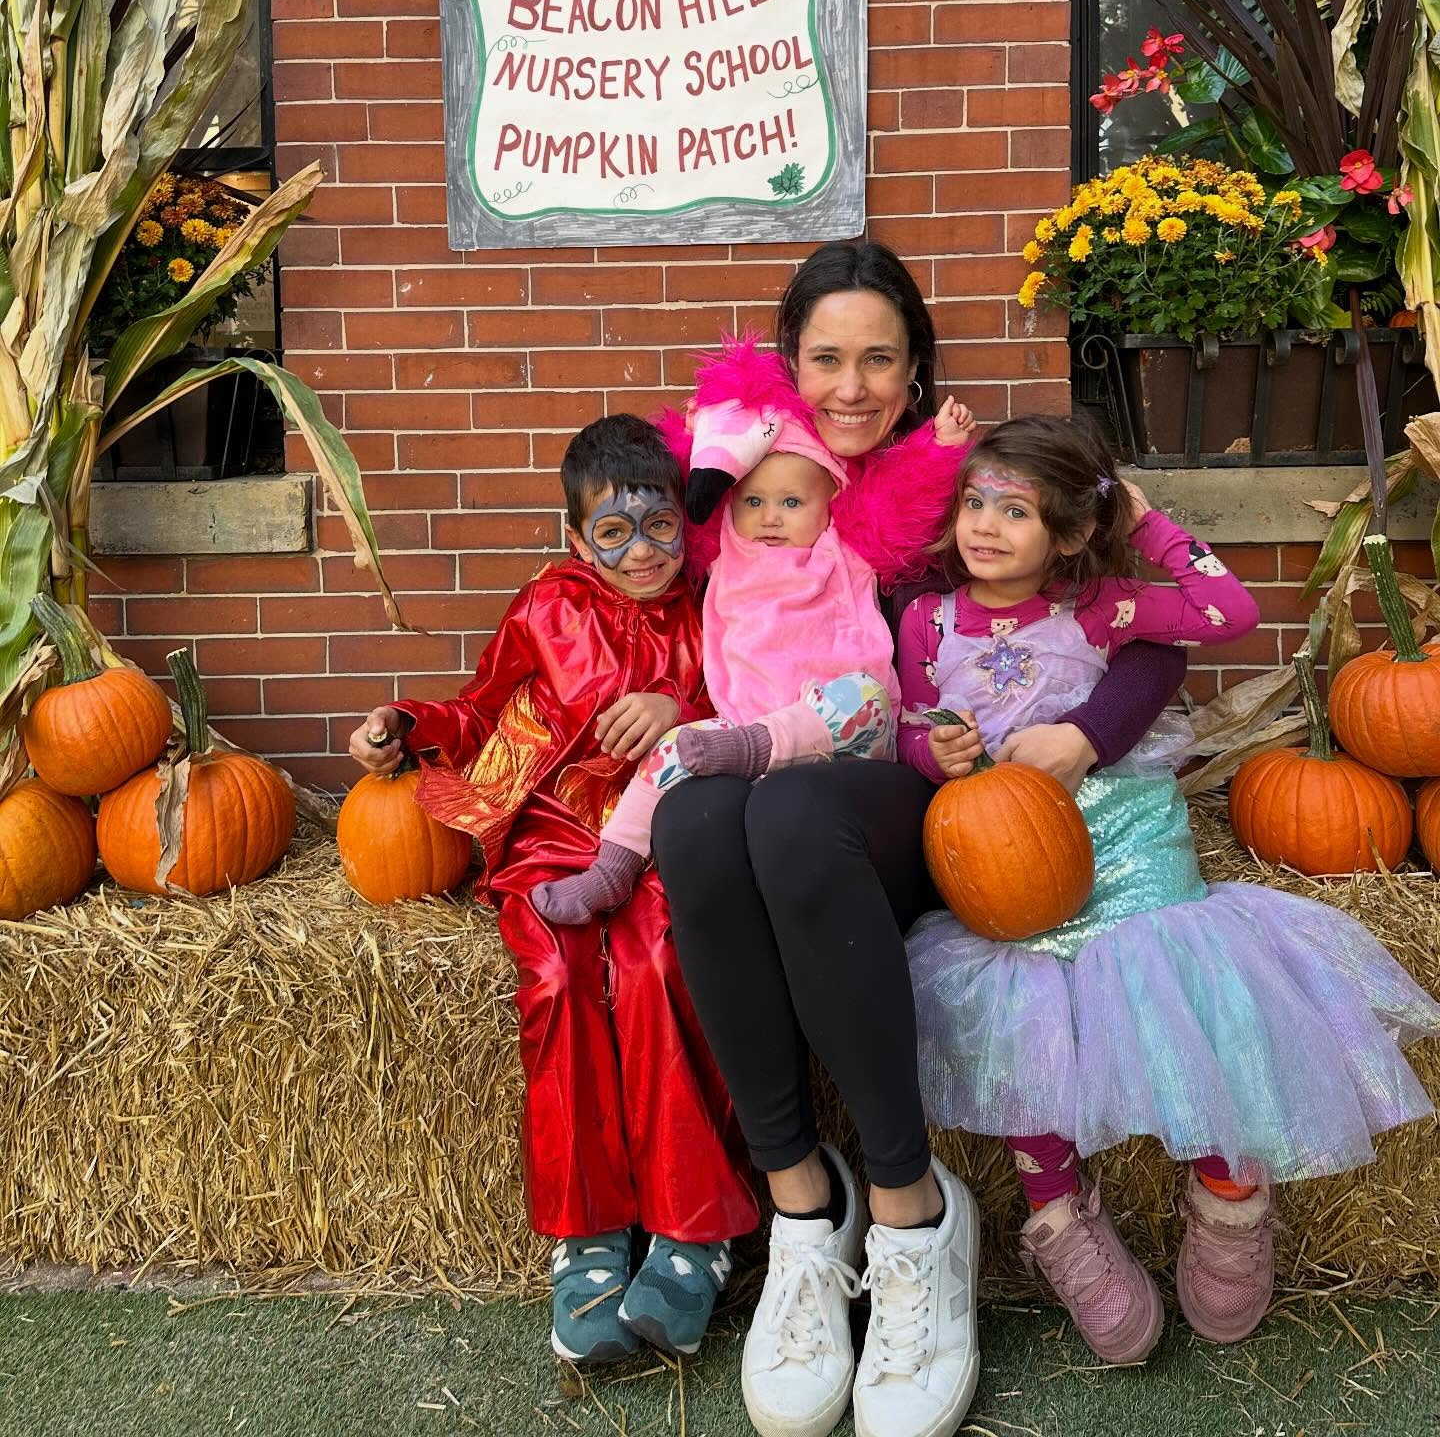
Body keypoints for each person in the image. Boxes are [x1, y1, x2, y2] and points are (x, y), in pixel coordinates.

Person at [650, 242, 1189, 1437]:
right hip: (771, 758)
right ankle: (803, 1210)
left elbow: (1148, 623)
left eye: (879, 360)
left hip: (916, 798)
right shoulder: (746, 487)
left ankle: (911, 1221)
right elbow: (630, 561)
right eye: (827, 358)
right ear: (788, 366)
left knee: (790, 814)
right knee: (694, 815)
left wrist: (1086, 736)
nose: (851, 387)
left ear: (913, 371)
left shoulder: (965, 487)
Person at [902, 415, 1440, 1366]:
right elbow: (911, 717)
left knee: (1182, 996)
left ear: (1068, 534)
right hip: (1005, 856)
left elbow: (1228, 614)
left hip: (1127, 842)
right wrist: (931, 748)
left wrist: (1145, 525)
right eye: (974, 501)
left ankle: (1230, 1198)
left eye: (1015, 510)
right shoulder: (928, 620)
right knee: (1022, 1018)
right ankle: (1060, 1218)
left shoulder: (1105, 604)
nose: (984, 525)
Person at [347, 415, 758, 1367]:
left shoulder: (720, 606)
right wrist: (407, 720)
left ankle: (694, 1230)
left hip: (666, 833)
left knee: (659, 960)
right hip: (554, 834)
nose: (641, 552)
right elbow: (478, 706)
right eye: (613, 534)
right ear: (577, 540)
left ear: (684, 525)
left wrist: (682, 705)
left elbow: (772, 699)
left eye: (658, 526)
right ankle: (589, 1235)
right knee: (561, 975)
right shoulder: (547, 608)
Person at [529, 378, 972, 928]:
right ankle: (611, 867)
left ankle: (752, 749)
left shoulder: (843, 547)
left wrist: (941, 448)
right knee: (674, 747)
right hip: (744, 725)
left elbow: (902, 500)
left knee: (861, 694)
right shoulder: (726, 555)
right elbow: (684, 499)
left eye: (792, 502)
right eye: (753, 501)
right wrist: (696, 434)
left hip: (845, 734)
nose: (769, 517)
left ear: (831, 499)